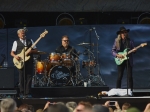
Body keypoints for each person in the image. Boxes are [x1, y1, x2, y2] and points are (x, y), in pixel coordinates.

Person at [10, 29, 38, 98]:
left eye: (24, 33)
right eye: (21, 33)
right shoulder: (16, 42)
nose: (23, 34)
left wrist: (31, 51)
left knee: (29, 77)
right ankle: (22, 92)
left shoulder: (30, 41)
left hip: (29, 61)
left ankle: (28, 92)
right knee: (21, 77)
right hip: (20, 61)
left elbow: (36, 50)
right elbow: (12, 53)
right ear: (18, 35)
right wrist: (15, 56)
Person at [112, 26, 136, 90]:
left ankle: (130, 91)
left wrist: (134, 50)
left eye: (125, 32)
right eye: (122, 33)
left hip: (128, 60)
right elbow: (113, 51)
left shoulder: (130, 41)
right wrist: (117, 55)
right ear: (120, 34)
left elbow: (134, 49)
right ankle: (117, 90)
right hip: (120, 60)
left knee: (130, 76)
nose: (124, 34)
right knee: (120, 76)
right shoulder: (116, 41)